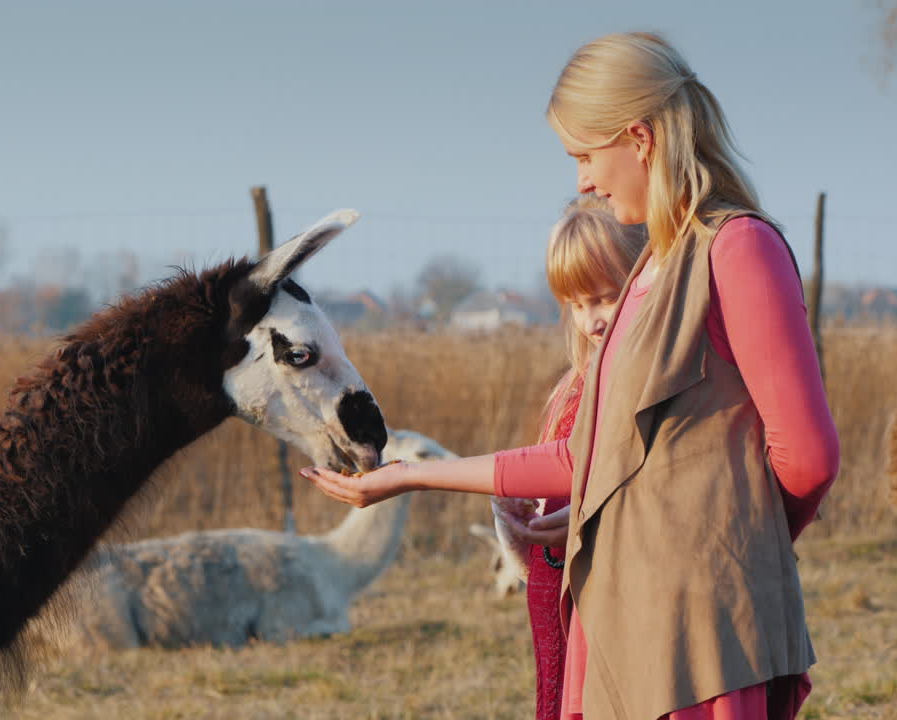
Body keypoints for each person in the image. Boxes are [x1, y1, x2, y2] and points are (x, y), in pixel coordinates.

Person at [302, 31, 839, 720]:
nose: (583, 180)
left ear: (640, 138)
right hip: (620, 618)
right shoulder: (651, 267)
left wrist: (729, 553)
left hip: (701, 636)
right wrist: (408, 475)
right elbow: (585, 456)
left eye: (586, 155)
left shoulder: (739, 249)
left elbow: (810, 458)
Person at [491, 194, 646, 720]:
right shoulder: (571, 392)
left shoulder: (646, 392)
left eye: (604, 298)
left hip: (616, 607)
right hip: (555, 595)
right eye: (576, 304)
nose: (590, 320)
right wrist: (518, 522)